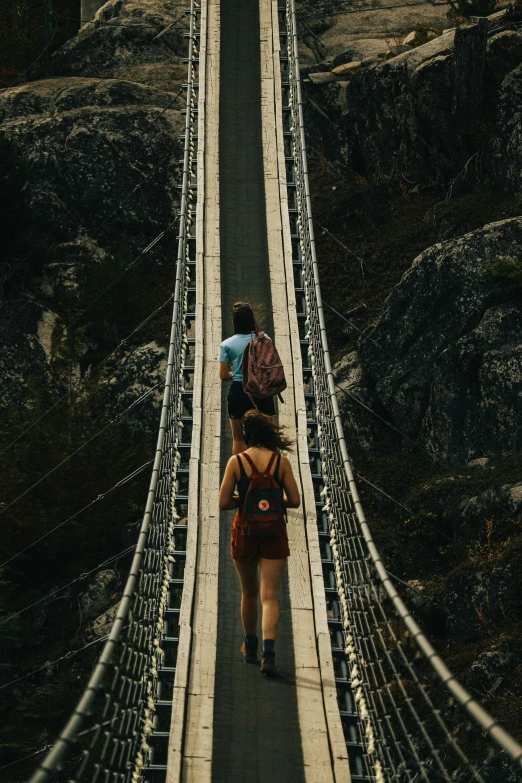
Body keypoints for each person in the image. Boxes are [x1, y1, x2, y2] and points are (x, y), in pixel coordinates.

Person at [218, 410, 301, 676]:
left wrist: (245, 502)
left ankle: (250, 645)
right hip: (274, 532)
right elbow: (295, 500)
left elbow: (223, 503)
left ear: (245, 434)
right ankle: (268, 655)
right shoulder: (281, 462)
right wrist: (273, 503)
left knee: (249, 593)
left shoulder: (236, 462)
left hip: (245, 531)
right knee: (270, 596)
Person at [219, 301, 276, 455]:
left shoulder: (227, 345)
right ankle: (267, 471)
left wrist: (237, 374)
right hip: (262, 391)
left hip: (238, 391)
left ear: (234, 322)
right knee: (267, 437)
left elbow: (223, 375)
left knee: (238, 439)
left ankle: (240, 473)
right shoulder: (265, 339)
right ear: (252, 320)